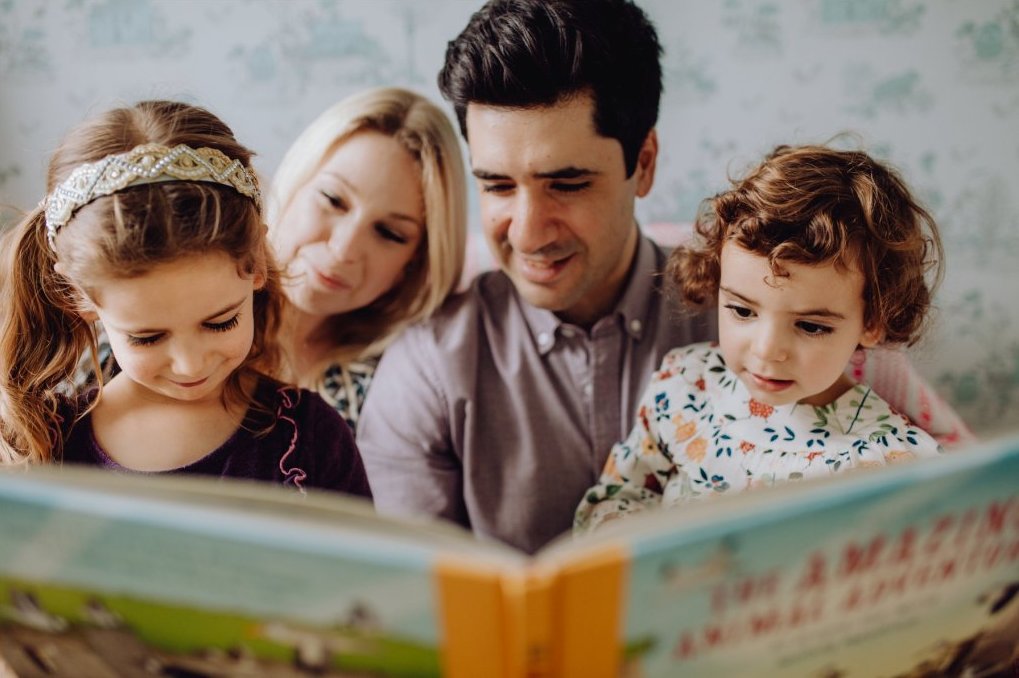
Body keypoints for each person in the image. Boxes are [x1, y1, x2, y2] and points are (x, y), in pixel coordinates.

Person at [357, 0, 713, 554]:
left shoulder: (746, 321)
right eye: (498, 185)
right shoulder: (428, 368)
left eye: (567, 184)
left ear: (643, 164)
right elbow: (412, 602)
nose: (526, 233)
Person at [0, 100, 372, 497]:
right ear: (79, 297)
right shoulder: (37, 451)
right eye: (147, 338)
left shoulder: (311, 439)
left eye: (220, 322)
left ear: (258, 264)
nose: (191, 363)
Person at [574, 144, 945, 533]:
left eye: (811, 326)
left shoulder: (897, 463)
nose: (767, 350)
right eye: (743, 311)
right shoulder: (684, 386)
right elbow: (617, 497)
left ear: (873, 321)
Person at [266, 87, 467, 432]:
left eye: (389, 233)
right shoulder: (184, 306)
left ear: (413, 265)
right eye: (333, 200)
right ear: (296, 180)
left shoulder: (400, 388)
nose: (343, 250)